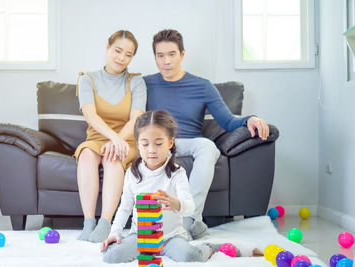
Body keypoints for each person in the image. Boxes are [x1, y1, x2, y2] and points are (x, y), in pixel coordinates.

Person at [144, 29, 270, 240]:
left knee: (207, 146)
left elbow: (229, 121)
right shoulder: (145, 84)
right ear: (155, 57)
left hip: (189, 143)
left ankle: (189, 218)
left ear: (182, 54)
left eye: (172, 54)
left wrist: (250, 119)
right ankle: (192, 225)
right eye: (160, 55)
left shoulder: (202, 86)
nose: (166, 61)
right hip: (158, 143)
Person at [100, 110, 223, 263]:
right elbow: (124, 208)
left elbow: (191, 207)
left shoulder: (177, 173)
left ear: (170, 143)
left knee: (191, 256)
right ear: (137, 144)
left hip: (171, 238)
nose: (151, 150)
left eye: (158, 143)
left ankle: (209, 248)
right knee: (110, 256)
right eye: (145, 144)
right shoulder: (132, 173)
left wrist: (176, 204)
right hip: (141, 237)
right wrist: (115, 233)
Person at [75, 30, 146, 243]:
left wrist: (118, 140)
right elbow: (90, 115)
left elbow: (136, 119)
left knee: (113, 156)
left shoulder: (136, 82)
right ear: (107, 48)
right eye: (118, 51)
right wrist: (111, 138)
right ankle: (89, 221)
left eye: (128, 54)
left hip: (127, 140)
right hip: (97, 137)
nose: (121, 58)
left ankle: (105, 222)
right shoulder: (87, 79)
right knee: (87, 154)